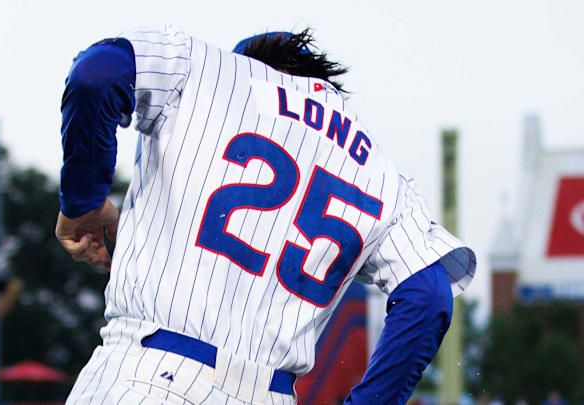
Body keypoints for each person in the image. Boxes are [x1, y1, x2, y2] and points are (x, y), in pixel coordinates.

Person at [55, 27, 476, 405]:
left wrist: (84, 202)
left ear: (247, 63)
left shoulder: (209, 69)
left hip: (145, 376)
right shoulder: (383, 175)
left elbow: (97, 74)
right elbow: (428, 293)